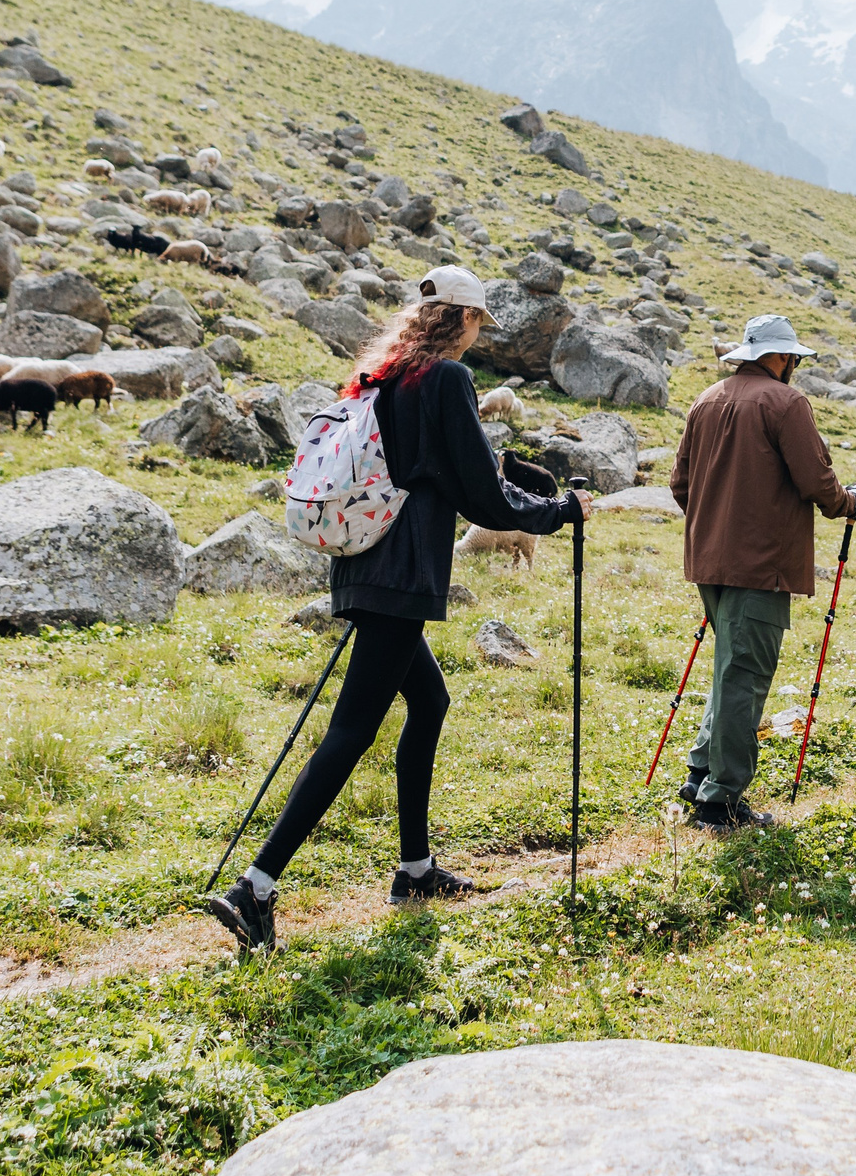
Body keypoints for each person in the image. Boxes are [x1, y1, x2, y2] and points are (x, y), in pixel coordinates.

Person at [202, 267, 590, 952]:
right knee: (352, 729)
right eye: (478, 322)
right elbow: (482, 492)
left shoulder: (380, 377)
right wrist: (559, 510)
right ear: (463, 318)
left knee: (429, 700)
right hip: (402, 573)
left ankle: (415, 870)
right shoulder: (445, 380)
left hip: (361, 561)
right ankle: (255, 888)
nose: (478, 335)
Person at [668, 313, 856, 828]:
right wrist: (850, 503)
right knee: (745, 677)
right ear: (778, 357)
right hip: (761, 566)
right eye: (793, 357)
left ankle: (701, 772)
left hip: (709, 561)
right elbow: (818, 483)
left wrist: (714, 526)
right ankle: (720, 802)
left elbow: (680, 485)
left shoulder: (706, 399)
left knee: (730, 668)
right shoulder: (786, 402)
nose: (794, 365)